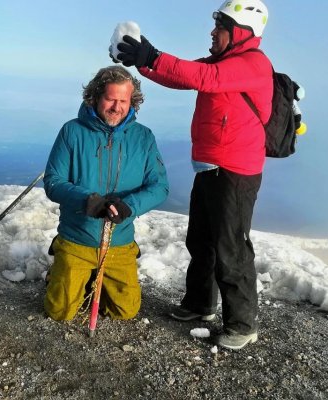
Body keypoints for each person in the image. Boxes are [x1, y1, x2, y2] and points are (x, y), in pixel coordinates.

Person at [113, 0, 272, 350]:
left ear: (242, 32)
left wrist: (151, 55)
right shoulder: (224, 62)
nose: (213, 32)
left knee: (231, 248)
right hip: (210, 166)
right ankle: (200, 304)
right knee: (200, 241)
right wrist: (141, 61)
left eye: (221, 27)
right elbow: (181, 75)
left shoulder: (252, 64)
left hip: (236, 172)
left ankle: (242, 324)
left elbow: (204, 78)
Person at [43, 65, 168, 321]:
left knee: (126, 311)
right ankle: (65, 271)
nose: (117, 107)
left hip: (119, 241)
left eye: (124, 100)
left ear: (132, 101)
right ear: (96, 96)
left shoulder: (143, 137)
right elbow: (53, 181)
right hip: (77, 238)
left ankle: (89, 281)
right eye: (111, 98)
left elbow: (159, 186)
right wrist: (88, 200)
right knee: (60, 312)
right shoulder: (72, 131)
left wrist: (129, 206)